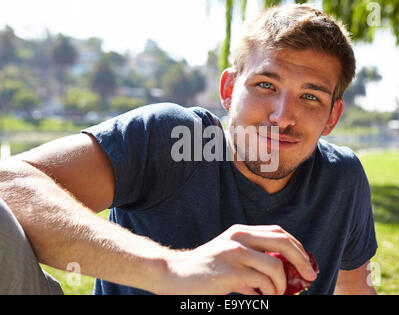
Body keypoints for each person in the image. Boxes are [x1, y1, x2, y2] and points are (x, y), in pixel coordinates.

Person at [0, 3, 377, 295]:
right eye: (266, 85)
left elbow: (354, 287)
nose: (283, 116)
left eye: (310, 96)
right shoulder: (171, 137)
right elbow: (8, 183)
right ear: (229, 90)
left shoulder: (341, 178)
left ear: (332, 116)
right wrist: (172, 270)